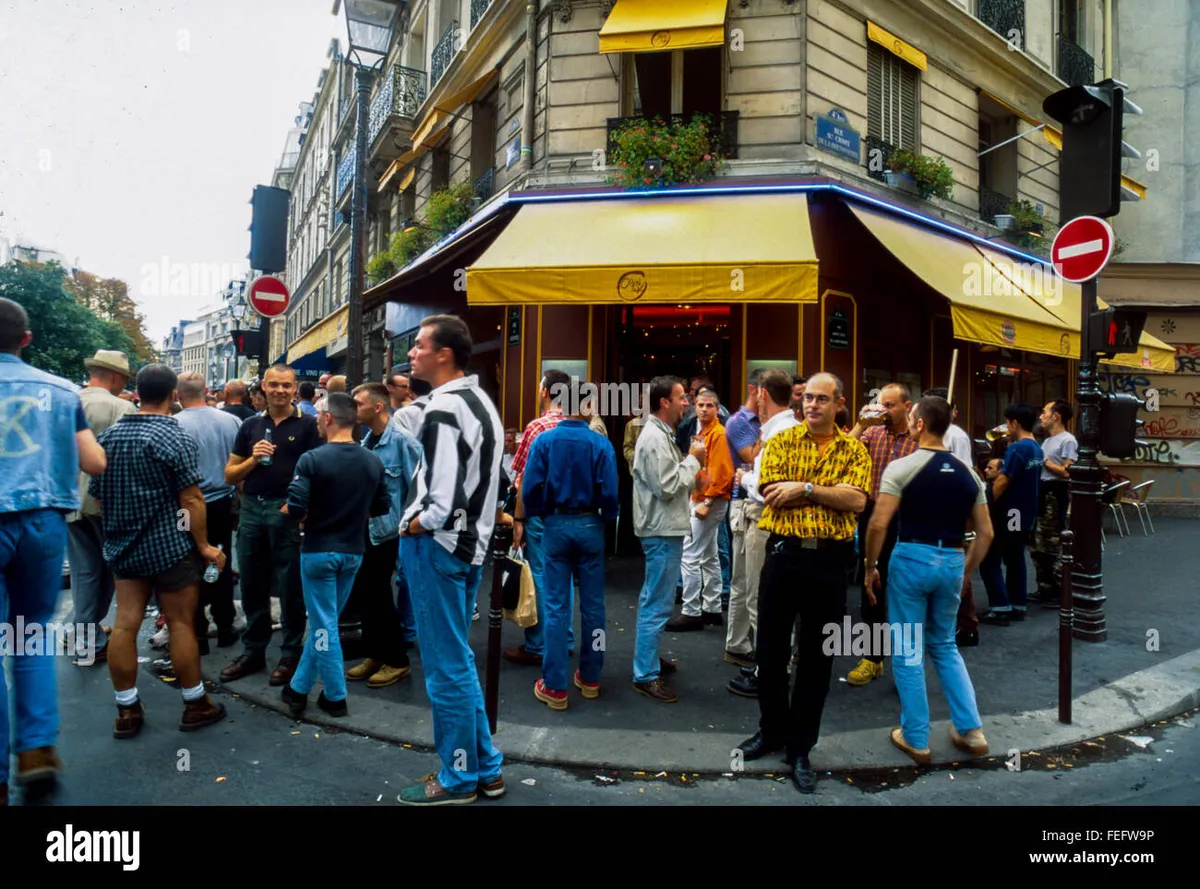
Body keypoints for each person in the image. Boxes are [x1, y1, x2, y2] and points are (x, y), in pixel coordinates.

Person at [736, 372, 869, 795]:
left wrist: (807, 487)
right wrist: (825, 490)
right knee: (770, 653)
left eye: (821, 399)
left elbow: (858, 500)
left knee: (817, 659)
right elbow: (772, 490)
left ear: (839, 404)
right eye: (807, 398)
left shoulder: (854, 448)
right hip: (784, 554)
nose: (811, 405)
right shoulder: (779, 442)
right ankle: (771, 730)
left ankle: (800, 748)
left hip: (829, 563)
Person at [0, 298, 107, 800]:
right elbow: (94, 461)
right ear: (26, 339)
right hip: (42, 521)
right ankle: (37, 746)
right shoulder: (62, 391)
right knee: (30, 631)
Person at [397, 315, 505, 805]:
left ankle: (458, 777)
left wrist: (415, 522)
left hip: (437, 546)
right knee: (457, 660)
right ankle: (485, 768)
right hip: (468, 548)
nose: (412, 353)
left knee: (445, 667)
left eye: (420, 346)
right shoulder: (478, 400)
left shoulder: (443, 408)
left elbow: (440, 498)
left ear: (445, 354)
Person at [90, 363, 228, 740]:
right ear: (172, 396)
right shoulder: (175, 436)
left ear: (137, 391)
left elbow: (100, 498)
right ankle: (195, 703)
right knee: (181, 623)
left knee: (125, 624)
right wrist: (202, 545)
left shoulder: (111, 437)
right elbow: (193, 500)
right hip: (170, 546)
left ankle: (127, 710)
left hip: (124, 546)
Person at [863, 395, 993, 763]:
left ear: (919, 424)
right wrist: (965, 571)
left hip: (911, 556)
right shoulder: (969, 474)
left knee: (907, 648)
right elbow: (986, 534)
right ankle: (971, 729)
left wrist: (870, 565)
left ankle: (917, 736)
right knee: (945, 645)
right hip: (951, 558)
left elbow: (877, 523)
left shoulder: (902, 468)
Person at [279, 393, 391, 718]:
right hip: (353, 551)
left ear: (328, 418)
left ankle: (335, 696)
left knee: (323, 627)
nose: (315, 419)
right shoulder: (372, 460)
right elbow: (382, 506)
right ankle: (297, 689)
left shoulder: (312, 460)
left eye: (319, 415)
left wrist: (297, 512)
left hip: (317, 551)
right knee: (325, 623)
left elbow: (297, 506)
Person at [518, 381, 619, 709]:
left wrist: (538, 515)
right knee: (594, 607)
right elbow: (611, 495)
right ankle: (591, 677)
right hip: (590, 523)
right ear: (588, 406)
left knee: (556, 607)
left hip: (556, 524)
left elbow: (530, 487)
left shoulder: (545, 441)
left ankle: (555, 684)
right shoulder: (600, 444)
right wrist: (605, 519)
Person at [220, 364, 320, 686]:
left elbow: (319, 473)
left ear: (295, 389)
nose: (279, 391)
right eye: (273, 385)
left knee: (290, 586)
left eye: (286, 386)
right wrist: (253, 459)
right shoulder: (250, 425)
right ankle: (254, 651)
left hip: (286, 511)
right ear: (263, 386)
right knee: (251, 583)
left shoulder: (310, 426)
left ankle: (290, 654)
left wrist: (302, 508)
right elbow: (229, 475)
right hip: (251, 510)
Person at [631, 377, 706, 702]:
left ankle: (647, 661)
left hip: (662, 529)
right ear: (664, 402)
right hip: (661, 530)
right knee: (658, 603)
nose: (686, 402)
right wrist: (694, 459)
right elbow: (666, 486)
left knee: (656, 599)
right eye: (681, 397)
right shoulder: (655, 438)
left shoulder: (658, 435)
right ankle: (645, 674)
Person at [343, 383, 421, 689]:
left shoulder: (402, 441)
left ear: (378, 407)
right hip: (368, 530)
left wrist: (411, 529)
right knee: (366, 593)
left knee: (380, 595)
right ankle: (376, 653)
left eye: (358, 404)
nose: (353, 409)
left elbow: (418, 489)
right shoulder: (367, 441)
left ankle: (397, 660)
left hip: (391, 532)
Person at [727, 369, 799, 696]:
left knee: (760, 598)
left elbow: (768, 487)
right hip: (772, 521)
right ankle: (769, 662)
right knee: (765, 596)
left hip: (764, 519)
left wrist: (745, 480)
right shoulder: (787, 428)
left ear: (763, 395)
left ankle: (769, 671)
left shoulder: (778, 433)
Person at [844, 382, 917, 688]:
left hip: (909, 518)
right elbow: (843, 450)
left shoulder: (917, 439)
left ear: (907, 406)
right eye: (881, 404)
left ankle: (907, 665)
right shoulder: (873, 433)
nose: (883, 410)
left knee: (906, 590)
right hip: (873, 514)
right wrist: (862, 423)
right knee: (871, 584)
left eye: (890, 405)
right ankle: (872, 658)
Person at [67, 349, 135, 666]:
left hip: (68, 499)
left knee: (84, 571)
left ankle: (83, 631)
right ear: (116, 376)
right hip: (105, 501)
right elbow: (126, 460)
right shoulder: (122, 407)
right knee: (109, 571)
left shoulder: (68, 400)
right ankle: (87, 637)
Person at [504, 370, 575, 666]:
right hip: (572, 513)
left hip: (540, 512)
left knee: (541, 577)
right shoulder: (579, 426)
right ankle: (565, 638)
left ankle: (539, 644)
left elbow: (521, 476)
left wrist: (517, 519)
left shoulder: (538, 427)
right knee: (566, 578)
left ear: (545, 390)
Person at [174, 372, 242, 651]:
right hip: (222, 503)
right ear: (207, 391)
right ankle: (225, 625)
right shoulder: (231, 421)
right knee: (221, 562)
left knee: (187, 564)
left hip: (184, 508)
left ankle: (198, 631)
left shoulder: (173, 425)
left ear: (177, 395)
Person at [668, 387, 733, 630]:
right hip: (702, 497)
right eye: (701, 405)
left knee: (690, 555)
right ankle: (712, 608)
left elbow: (723, 472)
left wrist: (708, 502)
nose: (704, 409)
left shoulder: (718, 433)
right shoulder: (703, 432)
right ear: (695, 407)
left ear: (718, 409)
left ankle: (691, 611)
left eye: (709, 406)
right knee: (709, 556)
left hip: (709, 500)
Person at [979, 403, 1042, 624]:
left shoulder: (1017, 448)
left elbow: (1004, 480)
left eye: (1007, 422)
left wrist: (986, 505)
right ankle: (1017, 604)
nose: (1006, 426)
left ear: (1015, 423)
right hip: (1024, 514)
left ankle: (1000, 606)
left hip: (1008, 513)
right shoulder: (1037, 448)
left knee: (989, 559)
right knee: (1015, 559)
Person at [1030, 400, 1078, 606]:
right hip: (1042, 491)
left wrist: (1044, 461)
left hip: (1055, 493)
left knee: (1052, 543)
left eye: (1044, 411)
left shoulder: (1068, 440)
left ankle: (1058, 592)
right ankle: (1044, 588)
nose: (1041, 416)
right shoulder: (1047, 440)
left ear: (1055, 416)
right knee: (1038, 543)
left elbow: (1068, 471)